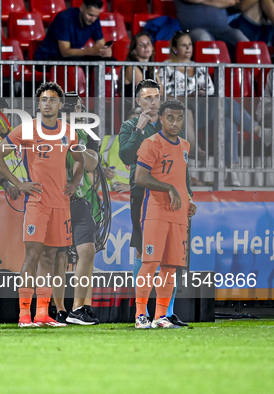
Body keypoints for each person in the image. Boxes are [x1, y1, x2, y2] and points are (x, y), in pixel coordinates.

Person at [0, 82, 85, 327]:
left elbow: (79, 160)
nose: (47, 104)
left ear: (60, 104)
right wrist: (18, 183)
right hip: (37, 204)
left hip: (61, 205)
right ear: (38, 104)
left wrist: (74, 182)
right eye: (43, 100)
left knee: (50, 258)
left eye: (52, 100)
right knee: (32, 256)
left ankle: (42, 314)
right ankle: (24, 315)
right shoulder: (27, 130)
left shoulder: (68, 132)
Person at [118, 79, 190, 326]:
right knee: (145, 254)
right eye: (147, 98)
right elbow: (127, 157)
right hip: (143, 195)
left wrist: (186, 195)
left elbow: (182, 171)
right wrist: (138, 129)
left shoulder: (172, 126)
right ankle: (141, 313)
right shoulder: (131, 126)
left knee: (171, 259)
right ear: (138, 101)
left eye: (155, 97)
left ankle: (165, 313)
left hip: (173, 200)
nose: (151, 101)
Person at [157, 30, 260, 183]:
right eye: (183, 46)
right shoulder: (166, 68)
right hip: (182, 116)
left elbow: (211, 92)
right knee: (222, 101)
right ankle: (256, 129)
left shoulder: (199, 68)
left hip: (203, 110)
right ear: (175, 49)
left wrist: (201, 95)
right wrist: (189, 95)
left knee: (227, 123)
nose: (188, 49)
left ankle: (231, 173)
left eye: (190, 45)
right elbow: (164, 97)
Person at [133, 100, 197, 329]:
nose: (175, 122)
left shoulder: (185, 146)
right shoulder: (151, 143)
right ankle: (141, 315)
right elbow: (140, 177)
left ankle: (161, 317)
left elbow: (179, 178)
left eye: (179, 118)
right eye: (170, 117)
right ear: (161, 118)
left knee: (171, 266)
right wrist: (169, 189)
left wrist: (188, 199)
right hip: (156, 212)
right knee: (150, 263)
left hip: (178, 215)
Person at [53, 95, 100, 325]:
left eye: (78, 108)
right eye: (70, 108)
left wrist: (75, 140)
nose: (75, 112)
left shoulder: (88, 134)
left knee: (87, 251)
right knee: (59, 256)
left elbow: (91, 164)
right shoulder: (50, 130)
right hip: (56, 200)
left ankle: (78, 307)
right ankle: (60, 309)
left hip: (78, 199)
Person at [34, 0, 112, 61]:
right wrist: (91, 51)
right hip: (48, 58)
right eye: (90, 15)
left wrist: (105, 51)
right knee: (76, 62)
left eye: (96, 16)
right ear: (82, 8)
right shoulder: (64, 19)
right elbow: (65, 52)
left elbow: (101, 43)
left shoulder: (94, 20)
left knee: (109, 61)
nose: (93, 19)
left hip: (72, 58)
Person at [173, 0, 248, 52]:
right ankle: (208, 74)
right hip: (194, 29)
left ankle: (248, 74)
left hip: (223, 29)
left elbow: (231, 2)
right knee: (203, 38)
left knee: (243, 41)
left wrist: (203, 1)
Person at [123, 32, 155, 98]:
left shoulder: (151, 68)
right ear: (134, 51)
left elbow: (162, 92)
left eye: (148, 43)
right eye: (141, 45)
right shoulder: (132, 68)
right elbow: (147, 90)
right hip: (134, 107)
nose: (146, 47)